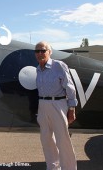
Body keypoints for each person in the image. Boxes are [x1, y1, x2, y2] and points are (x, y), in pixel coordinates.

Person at [34, 41, 77, 170]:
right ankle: (52, 167)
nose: (40, 53)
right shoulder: (38, 69)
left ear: (49, 52)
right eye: (37, 51)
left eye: (43, 50)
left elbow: (70, 88)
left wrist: (72, 108)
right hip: (42, 105)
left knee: (62, 140)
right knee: (46, 139)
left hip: (58, 104)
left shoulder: (59, 66)